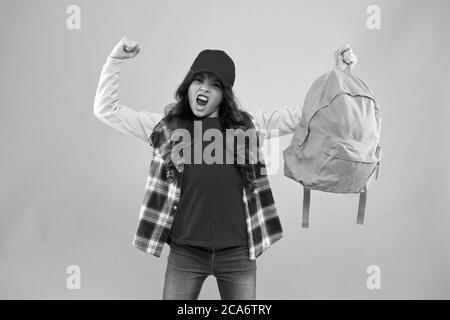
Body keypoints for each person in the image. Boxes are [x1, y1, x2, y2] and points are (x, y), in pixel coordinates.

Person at [93, 37, 357, 300]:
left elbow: (309, 113)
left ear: (224, 95)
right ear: (188, 85)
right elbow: (107, 110)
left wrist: (340, 78)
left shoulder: (248, 127)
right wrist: (114, 61)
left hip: (238, 253)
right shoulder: (166, 127)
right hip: (186, 253)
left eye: (215, 85)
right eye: (199, 80)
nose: (204, 89)